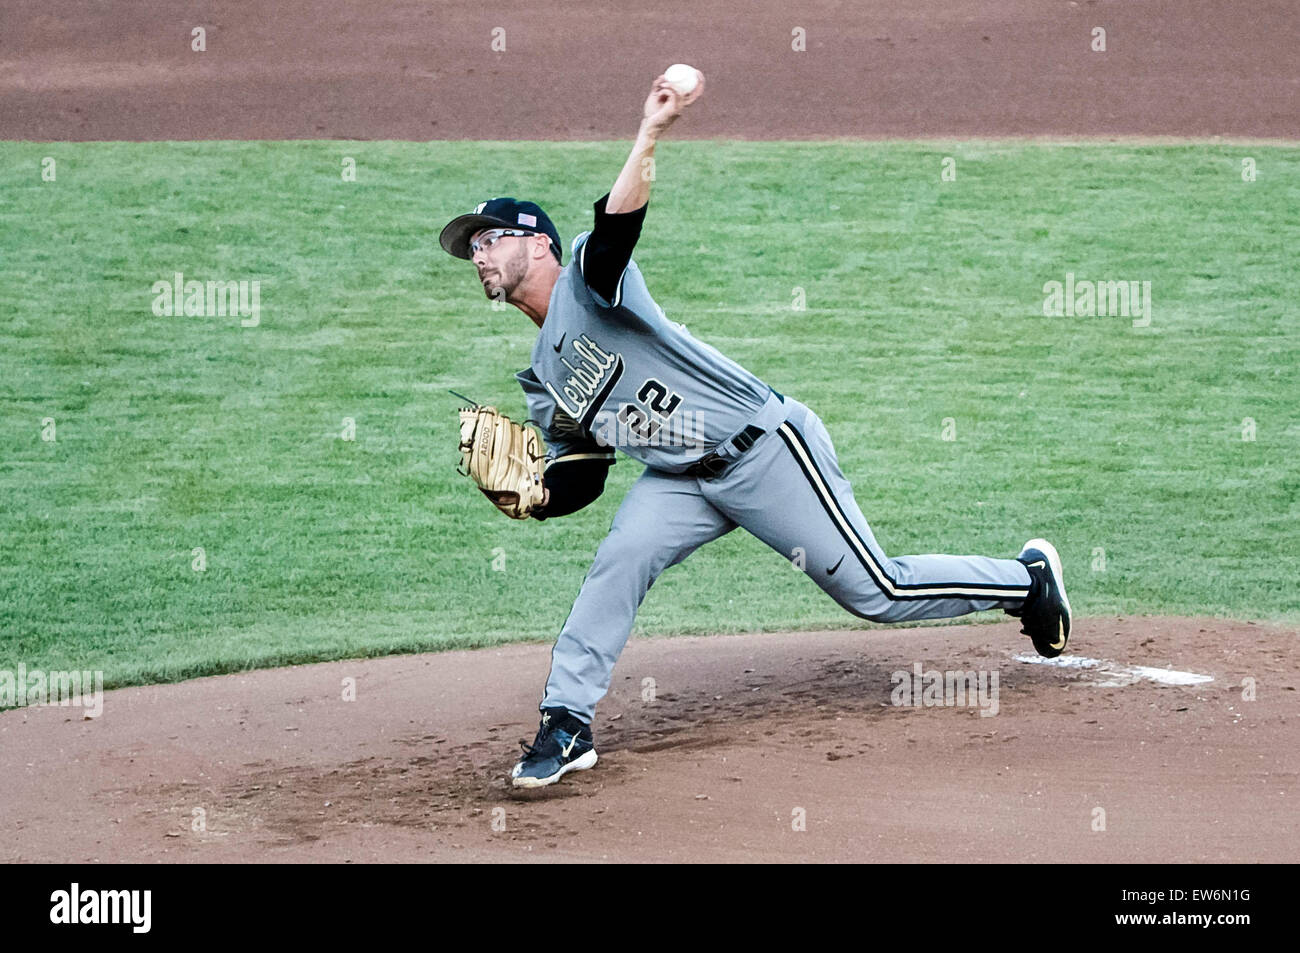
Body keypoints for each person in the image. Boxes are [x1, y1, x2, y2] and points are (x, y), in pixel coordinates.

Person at [438, 72, 1071, 789]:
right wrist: (538, 497)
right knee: (618, 561)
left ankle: (1026, 582)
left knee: (876, 591)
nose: (479, 254)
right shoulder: (541, 374)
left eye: (490, 238)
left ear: (539, 245)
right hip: (678, 479)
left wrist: (650, 133)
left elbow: (618, 229)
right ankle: (566, 722)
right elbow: (584, 469)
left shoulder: (588, 274)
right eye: (473, 247)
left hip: (762, 449)